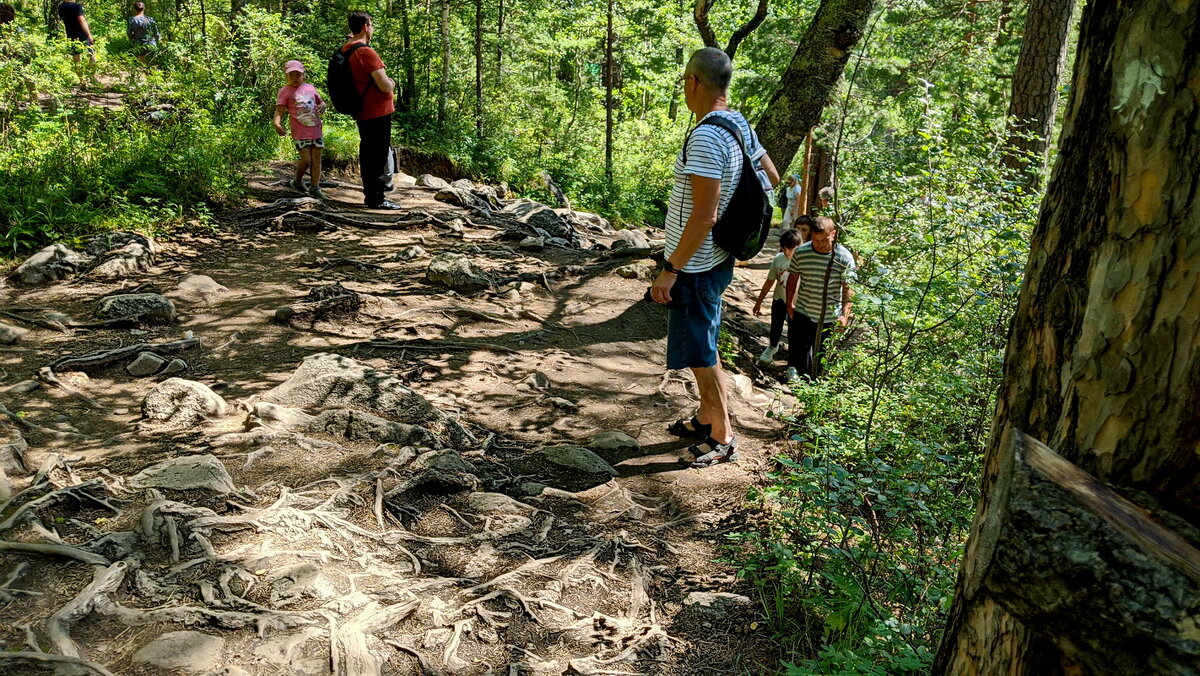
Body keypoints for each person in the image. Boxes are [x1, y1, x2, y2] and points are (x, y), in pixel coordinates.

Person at [650, 47, 779, 469]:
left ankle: (723, 435)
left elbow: (704, 216)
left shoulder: (706, 135)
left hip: (696, 264)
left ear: (693, 83)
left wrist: (670, 270)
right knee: (701, 342)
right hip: (718, 256)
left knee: (701, 351)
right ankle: (706, 417)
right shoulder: (737, 122)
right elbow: (771, 178)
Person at [340, 11, 400, 210]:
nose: (372, 29)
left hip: (362, 109)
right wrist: (391, 81)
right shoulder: (366, 52)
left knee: (368, 152)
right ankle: (376, 198)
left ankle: (373, 195)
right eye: (371, 25)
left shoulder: (346, 49)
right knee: (377, 154)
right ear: (366, 26)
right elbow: (384, 85)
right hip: (376, 111)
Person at [784, 216, 855, 381]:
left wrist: (845, 315)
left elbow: (848, 289)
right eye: (816, 240)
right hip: (803, 309)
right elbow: (792, 278)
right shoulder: (802, 252)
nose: (820, 244)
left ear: (833, 234)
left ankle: (816, 388)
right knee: (799, 350)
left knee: (821, 356)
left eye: (824, 240)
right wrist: (789, 304)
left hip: (829, 315)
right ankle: (795, 380)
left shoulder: (844, 257)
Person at [274, 59, 327, 200]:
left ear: (303, 75)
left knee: (317, 159)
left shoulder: (310, 88)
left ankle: (315, 188)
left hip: (316, 129)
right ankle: (297, 181)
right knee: (306, 159)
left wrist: (323, 105)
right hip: (300, 132)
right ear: (287, 76)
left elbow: (320, 101)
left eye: (298, 74)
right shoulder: (284, 91)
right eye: (291, 75)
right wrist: (277, 123)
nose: (295, 78)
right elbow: (279, 110)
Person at [753, 228, 802, 364]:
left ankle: (793, 360)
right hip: (779, 298)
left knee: (794, 331)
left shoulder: (804, 262)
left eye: (790, 249)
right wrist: (759, 302)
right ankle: (772, 347)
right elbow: (769, 281)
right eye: (784, 248)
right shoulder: (778, 259)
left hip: (797, 302)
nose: (787, 252)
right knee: (776, 325)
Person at [57, 0, 97, 85]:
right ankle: (92, 77)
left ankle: (82, 81)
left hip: (71, 35)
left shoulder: (61, 7)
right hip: (82, 34)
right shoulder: (77, 6)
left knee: (76, 58)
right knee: (91, 54)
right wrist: (89, 34)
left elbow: (62, 20)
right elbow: (82, 20)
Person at [126, 2, 160, 66]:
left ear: (134, 9)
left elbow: (129, 33)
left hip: (139, 44)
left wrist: (132, 39)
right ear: (144, 9)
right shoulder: (150, 19)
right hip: (151, 44)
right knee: (151, 66)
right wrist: (157, 42)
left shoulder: (131, 20)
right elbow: (156, 33)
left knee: (140, 65)